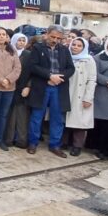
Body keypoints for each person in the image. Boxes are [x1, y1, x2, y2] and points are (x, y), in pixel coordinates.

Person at [26, 25, 75, 157]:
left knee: (57, 118)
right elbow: (33, 66)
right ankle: (32, 143)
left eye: (58, 38)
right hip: (42, 86)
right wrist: (49, 76)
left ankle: (55, 145)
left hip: (59, 87)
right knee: (37, 116)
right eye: (53, 37)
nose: (55, 40)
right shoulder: (37, 48)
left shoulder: (65, 50)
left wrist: (59, 78)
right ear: (47, 34)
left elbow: (71, 68)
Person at [65, 37, 97, 156]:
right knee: (66, 119)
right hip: (67, 92)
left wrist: (88, 97)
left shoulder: (89, 60)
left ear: (84, 48)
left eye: (79, 46)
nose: (75, 47)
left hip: (80, 93)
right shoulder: (66, 57)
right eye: (74, 45)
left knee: (79, 122)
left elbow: (92, 79)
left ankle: (77, 145)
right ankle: (64, 142)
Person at [4, 34, 36, 149]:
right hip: (9, 86)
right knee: (10, 114)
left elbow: (33, 73)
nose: (21, 42)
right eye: (19, 40)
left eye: (23, 40)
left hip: (23, 88)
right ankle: (8, 139)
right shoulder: (8, 53)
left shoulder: (29, 54)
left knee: (22, 115)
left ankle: (21, 140)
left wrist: (28, 86)